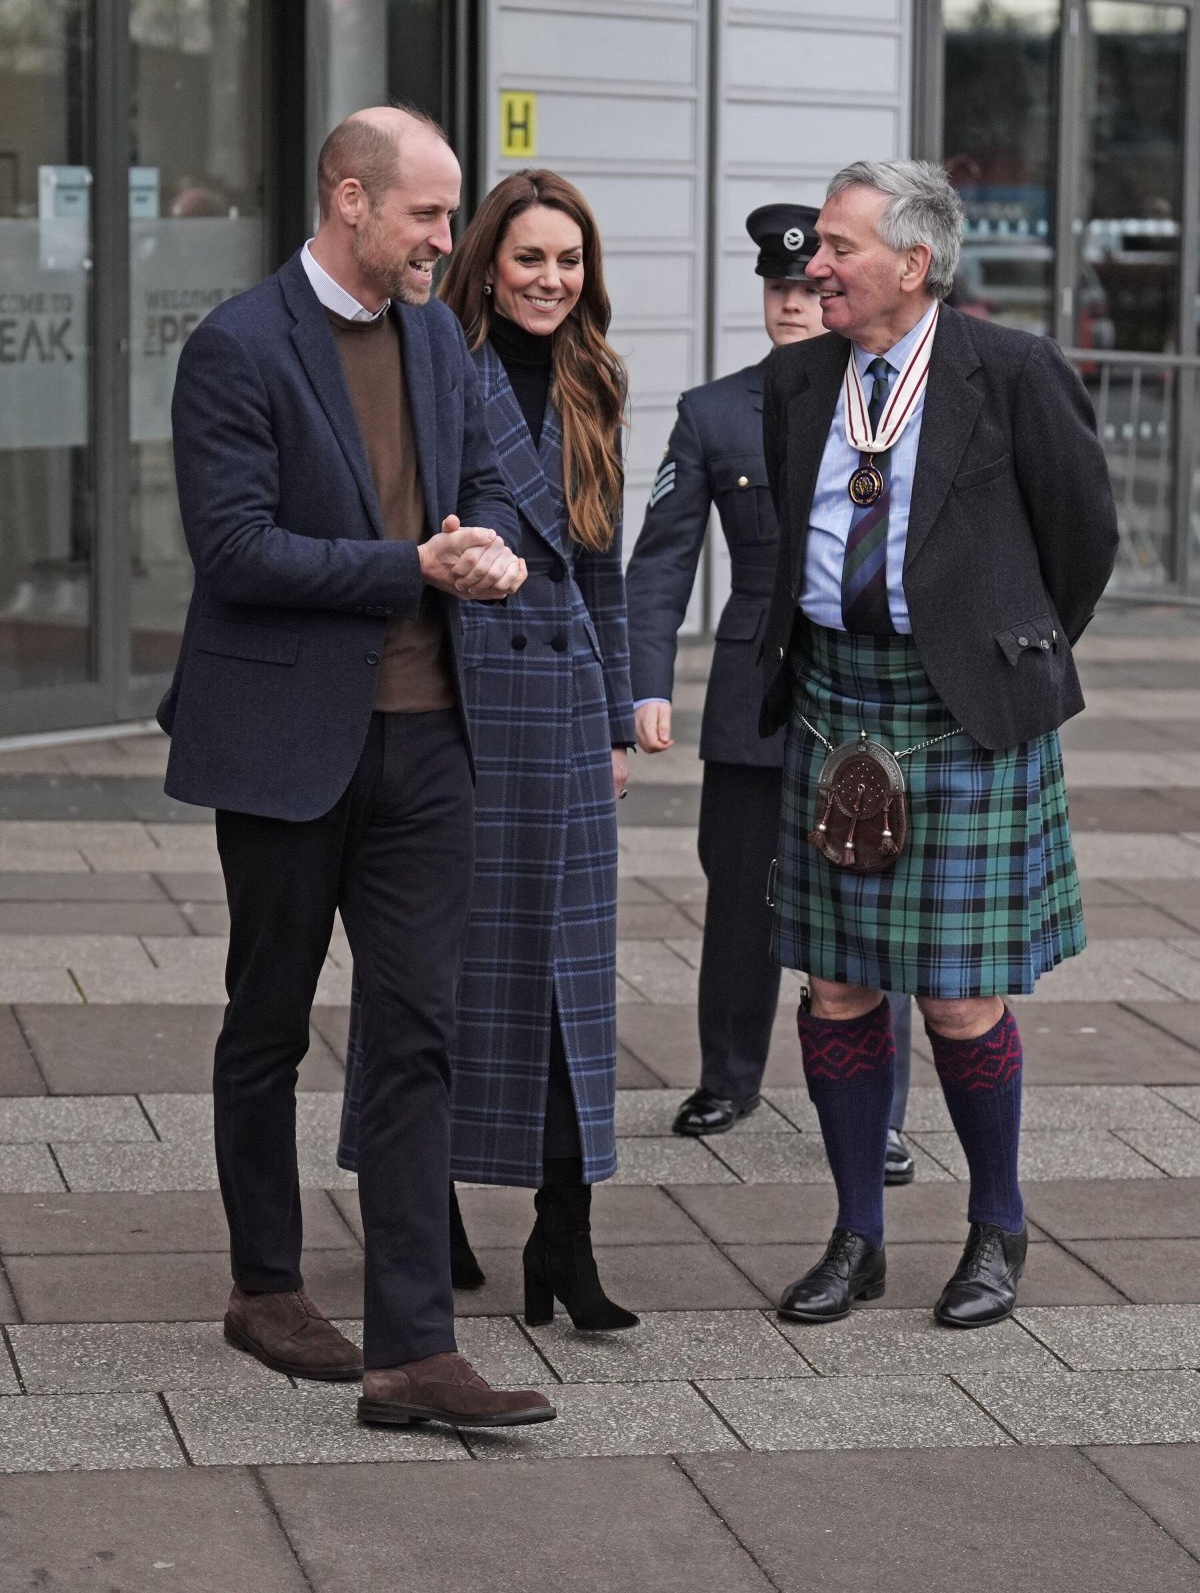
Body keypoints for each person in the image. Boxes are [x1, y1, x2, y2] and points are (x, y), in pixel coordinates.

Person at [160, 105, 556, 1430]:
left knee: (414, 1034)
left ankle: (411, 1353)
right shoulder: (236, 347)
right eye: (429, 216)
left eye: (451, 217)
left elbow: (501, 483)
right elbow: (237, 549)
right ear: (348, 199)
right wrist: (413, 567)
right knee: (268, 1021)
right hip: (284, 746)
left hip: (430, 739)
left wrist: (493, 548)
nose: (450, 240)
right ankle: (265, 1285)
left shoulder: (438, 336)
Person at [761, 160, 1118, 1329]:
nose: (817, 265)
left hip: (959, 712)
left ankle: (996, 1224)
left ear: (912, 264)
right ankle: (857, 1236)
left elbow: (1085, 535)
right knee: (837, 987)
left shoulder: (1008, 370)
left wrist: (1000, 649)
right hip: (832, 701)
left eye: (839, 247)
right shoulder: (801, 375)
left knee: (961, 998)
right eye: (817, 244)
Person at [339, 168, 638, 1333]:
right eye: (529, 259)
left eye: (569, 262)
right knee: (433, 971)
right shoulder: (432, 364)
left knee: (572, 979)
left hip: (560, 710)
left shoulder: (595, 378)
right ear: (486, 264)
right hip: (455, 701)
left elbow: (602, 563)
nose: (551, 281)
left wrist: (615, 716)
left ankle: (564, 1235)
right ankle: (428, 1202)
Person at [625, 204, 916, 1186]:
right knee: (743, 895)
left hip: (868, 696)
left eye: (810, 287)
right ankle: (730, 1075)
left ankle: (880, 1111)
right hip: (758, 698)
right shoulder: (713, 412)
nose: (794, 304)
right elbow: (660, 561)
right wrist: (644, 683)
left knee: (876, 901)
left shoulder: (892, 401)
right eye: (778, 290)